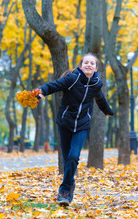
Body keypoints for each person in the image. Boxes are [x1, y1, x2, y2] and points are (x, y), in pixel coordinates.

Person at [36, 53, 114, 206]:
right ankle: (70, 186)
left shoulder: (96, 83)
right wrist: (41, 92)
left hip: (82, 125)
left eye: (92, 63)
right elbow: (54, 85)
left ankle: (64, 191)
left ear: (96, 68)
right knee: (67, 160)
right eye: (86, 62)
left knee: (73, 157)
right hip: (65, 123)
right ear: (81, 65)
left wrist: (107, 110)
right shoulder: (73, 78)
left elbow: (100, 98)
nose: (89, 65)